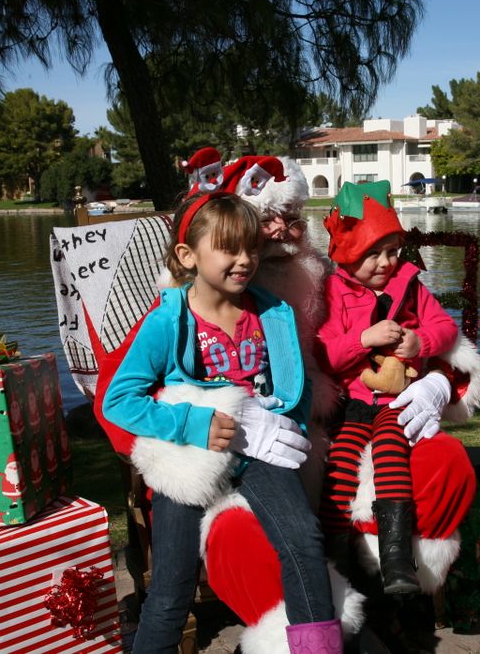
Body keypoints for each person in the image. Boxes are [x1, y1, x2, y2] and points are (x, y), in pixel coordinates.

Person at [102, 191, 342, 653]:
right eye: (229, 249)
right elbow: (119, 401)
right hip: (192, 456)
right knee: (172, 581)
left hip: (258, 451)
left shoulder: (273, 314)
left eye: (251, 248)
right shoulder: (167, 322)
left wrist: (280, 422)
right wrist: (191, 424)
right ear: (187, 256)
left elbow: (297, 383)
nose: (245, 260)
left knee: (305, 540)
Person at [313, 180, 459, 595]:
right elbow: (323, 353)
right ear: (348, 253)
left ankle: (397, 562)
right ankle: (333, 560)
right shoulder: (334, 292)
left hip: (399, 401)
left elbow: (445, 327)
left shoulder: (409, 285)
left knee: (392, 452)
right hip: (354, 402)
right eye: (371, 254)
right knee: (340, 465)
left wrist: (421, 342)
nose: (383, 263)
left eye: (392, 252)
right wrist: (364, 339)